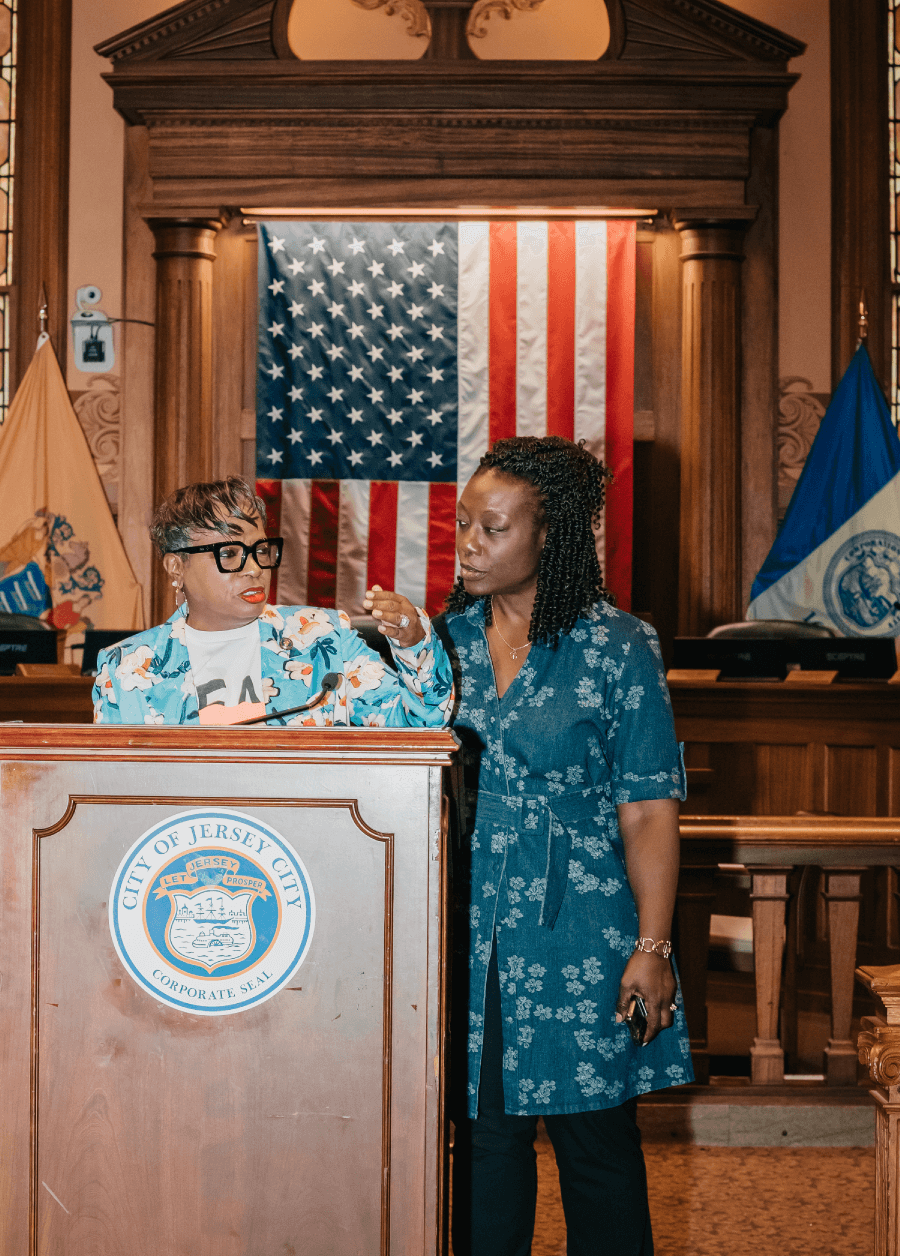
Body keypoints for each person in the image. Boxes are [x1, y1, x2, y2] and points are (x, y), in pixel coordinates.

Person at [443, 437, 692, 1256]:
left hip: (582, 925)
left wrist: (651, 946)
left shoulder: (619, 644)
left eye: (492, 527)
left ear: (548, 536)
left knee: (595, 1145)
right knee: (484, 1142)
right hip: (468, 925)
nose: (469, 543)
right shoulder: (440, 643)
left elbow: (647, 807)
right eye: (464, 523)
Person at [94, 476, 453, 728]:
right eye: (230, 553)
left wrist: (414, 645)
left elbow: (420, 723)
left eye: (260, 550)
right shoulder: (127, 669)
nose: (254, 569)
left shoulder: (322, 638)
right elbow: (111, 786)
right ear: (177, 566)